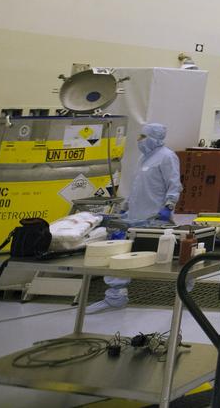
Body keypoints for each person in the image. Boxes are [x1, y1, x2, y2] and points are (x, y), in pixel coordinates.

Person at [87, 122, 182, 313]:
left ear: (155, 138)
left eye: (143, 136)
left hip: (155, 216)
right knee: (121, 255)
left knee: (171, 254)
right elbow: (137, 184)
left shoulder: (167, 157)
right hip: (135, 216)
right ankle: (115, 297)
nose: (139, 140)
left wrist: (168, 206)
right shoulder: (143, 158)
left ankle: (186, 289)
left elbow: (174, 184)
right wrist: (126, 206)